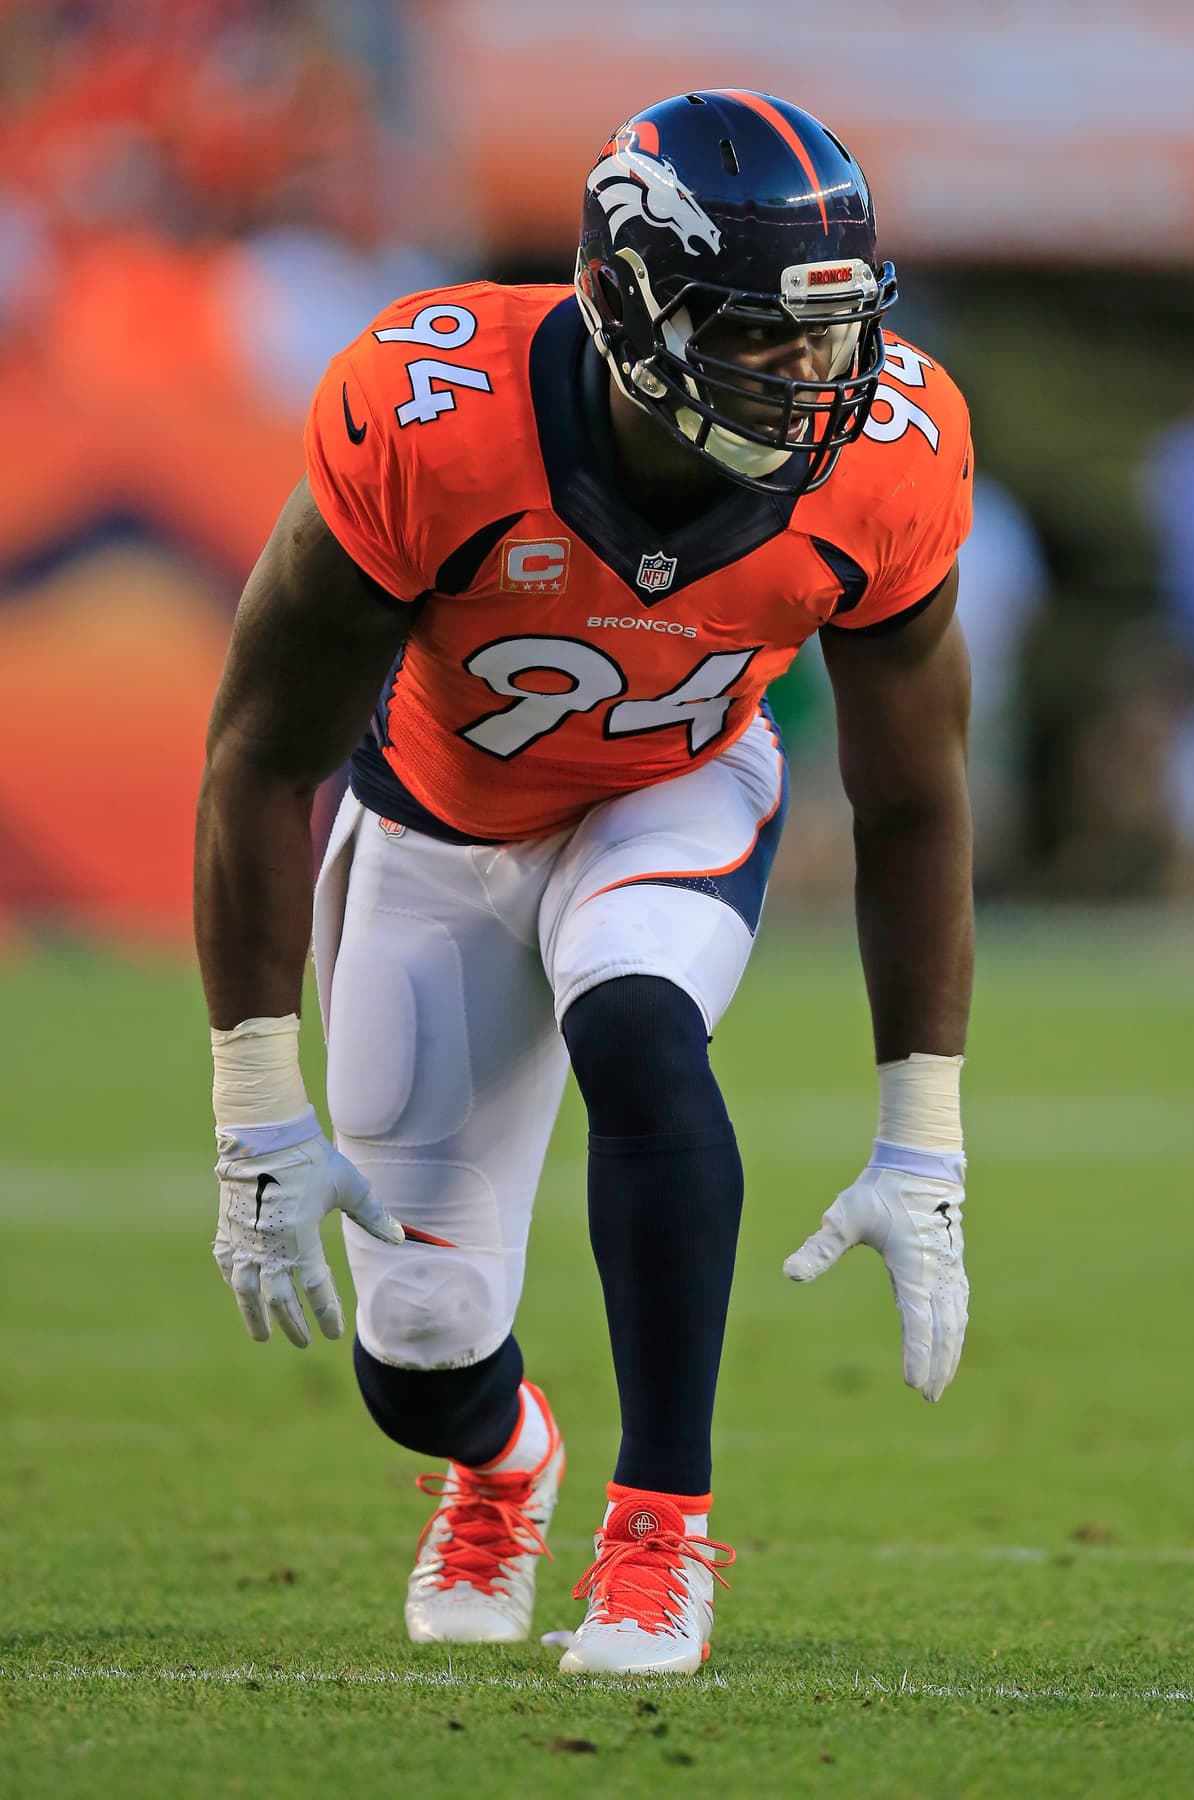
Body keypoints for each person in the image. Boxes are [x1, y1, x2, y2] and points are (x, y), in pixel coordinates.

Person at [195, 89, 974, 1677]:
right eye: (762, 337)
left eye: (834, 336)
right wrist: (255, 1106)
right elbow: (262, 756)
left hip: (673, 789)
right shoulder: (437, 414)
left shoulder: (885, 462)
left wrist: (927, 1143)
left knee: (636, 1021)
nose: (816, 380)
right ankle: (501, 1462)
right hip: (436, 828)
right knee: (416, 1353)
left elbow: (912, 806)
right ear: (632, 307)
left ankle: (660, 1532)